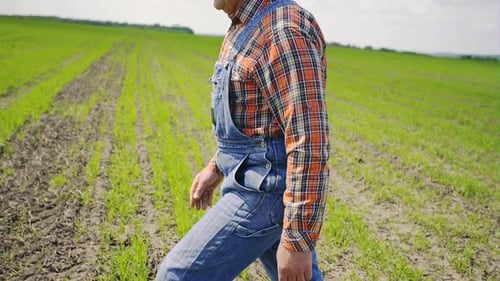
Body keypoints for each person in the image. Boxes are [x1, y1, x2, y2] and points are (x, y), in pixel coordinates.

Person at [156, 0, 329, 280]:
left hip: (265, 191)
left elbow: (309, 139)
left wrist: (298, 241)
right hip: (253, 179)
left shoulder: (283, 30)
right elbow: (257, 123)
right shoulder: (246, 25)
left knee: (176, 276)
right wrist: (217, 166)